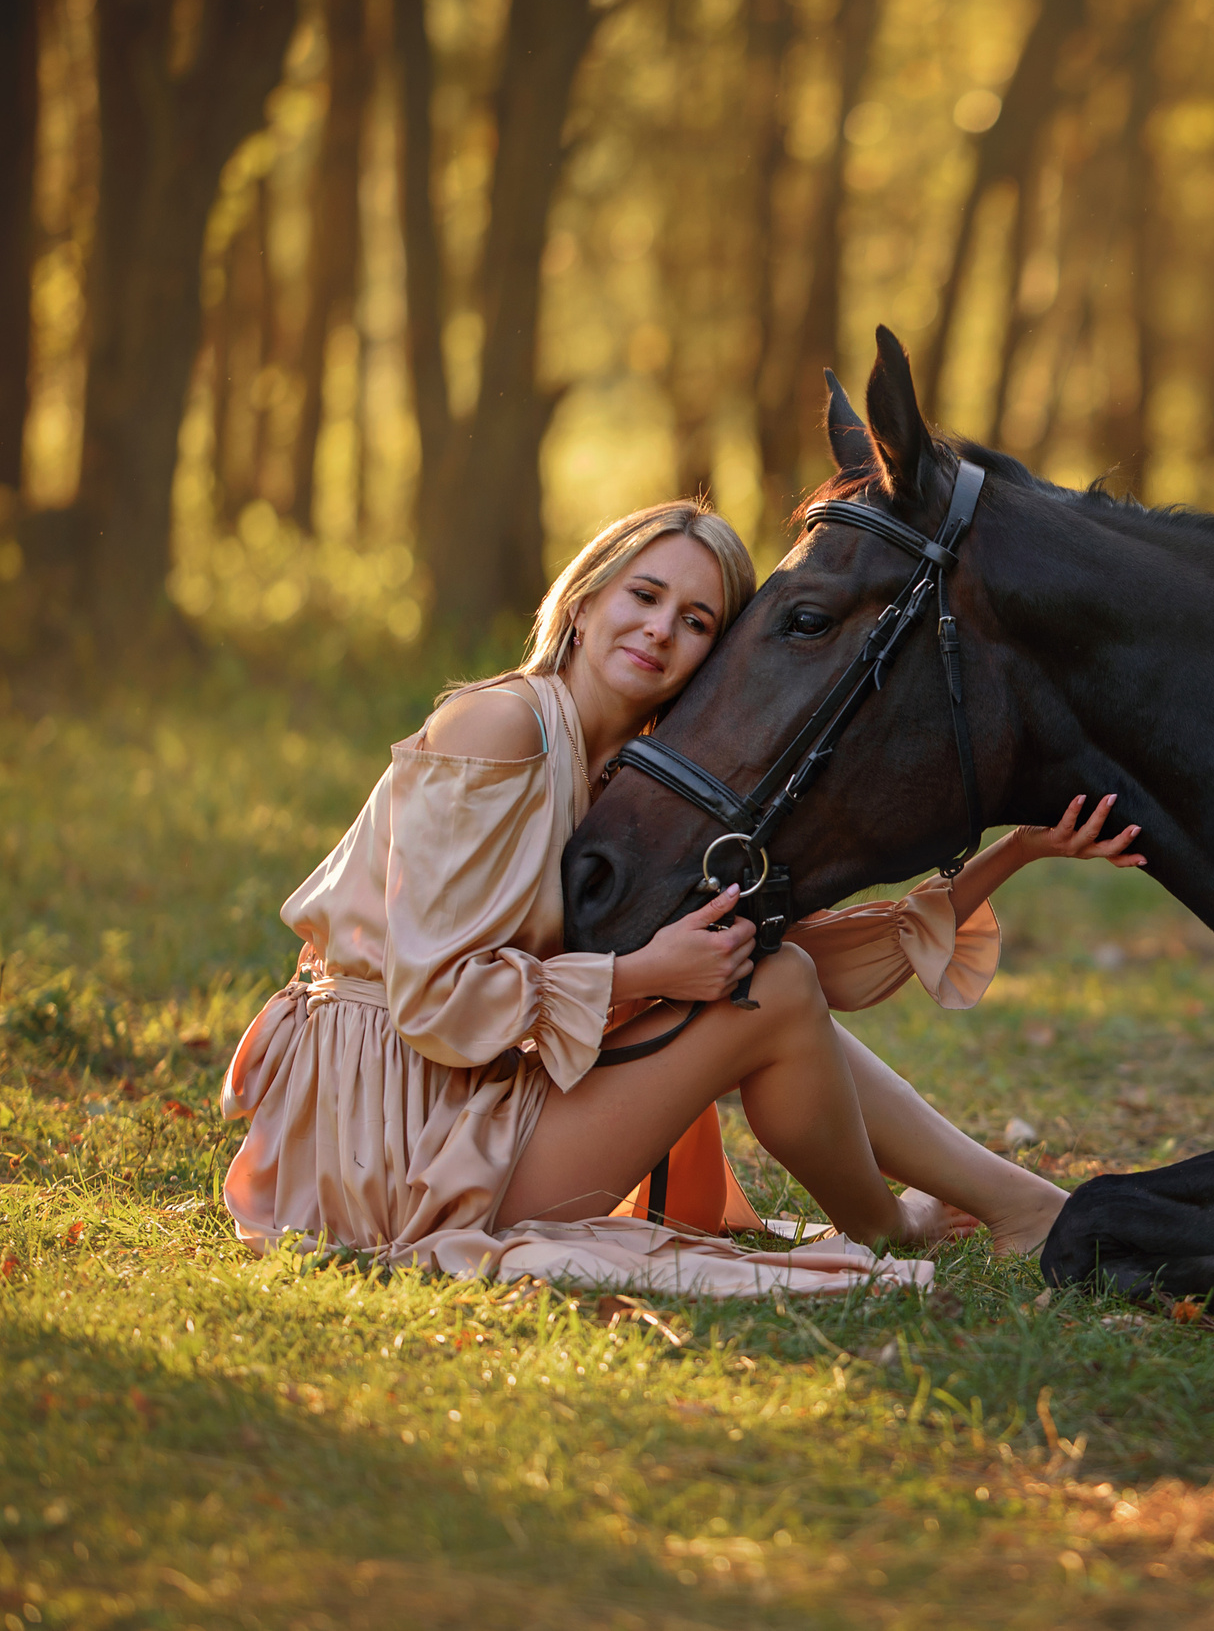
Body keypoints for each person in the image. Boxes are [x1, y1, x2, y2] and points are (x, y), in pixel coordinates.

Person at [221, 500, 1143, 1296]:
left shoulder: (646, 787)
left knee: (770, 977)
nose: (662, 630)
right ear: (583, 602)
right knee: (769, 987)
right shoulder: (500, 728)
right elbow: (432, 1001)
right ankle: (918, 1226)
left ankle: (1008, 1205)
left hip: (482, 1092)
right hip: (387, 1134)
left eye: (699, 620)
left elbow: (795, 962)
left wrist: (1017, 852)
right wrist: (641, 972)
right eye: (644, 595)